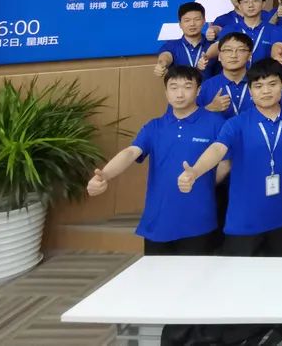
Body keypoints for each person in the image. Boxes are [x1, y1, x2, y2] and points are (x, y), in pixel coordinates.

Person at [87, 65, 227, 255]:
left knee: (197, 272)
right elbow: (131, 152)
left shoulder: (216, 123)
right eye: (173, 87)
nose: (179, 93)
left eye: (187, 87)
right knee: (156, 273)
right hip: (158, 220)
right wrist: (105, 175)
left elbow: (226, 162)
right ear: (166, 92)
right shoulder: (155, 126)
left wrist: (204, 182)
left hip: (198, 220)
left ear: (198, 90)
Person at [178, 62, 282, 256]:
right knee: (240, 274)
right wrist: (195, 171)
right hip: (244, 221)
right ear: (250, 91)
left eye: (272, 84)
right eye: (258, 86)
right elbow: (218, 149)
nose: (266, 91)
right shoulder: (236, 124)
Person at [208, 0, 281, 66]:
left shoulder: (274, 30)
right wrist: (206, 56)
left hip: (263, 73)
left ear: (263, 4)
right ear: (240, 6)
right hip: (237, 73)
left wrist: (277, 57)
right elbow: (217, 46)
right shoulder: (230, 29)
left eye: (255, 1)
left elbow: (277, 49)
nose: (250, 5)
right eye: (246, 2)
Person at [197, 32, 253, 118]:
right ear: (219, 56)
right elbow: (191, 120)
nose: (233, 55)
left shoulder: (260, 84)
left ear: (249, 56)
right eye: (228, 50)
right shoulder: (206, 86)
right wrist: (210, 108)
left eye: (241, 50)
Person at [156, 2, 216, 78]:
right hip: (181, 86)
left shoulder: (213, 45)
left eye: (197, 19)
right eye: (187, 20)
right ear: (180, 24)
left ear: (204, 21)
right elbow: (166, 56)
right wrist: (162, 64)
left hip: (209, 86)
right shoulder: (171, 45)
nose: (192, 24)